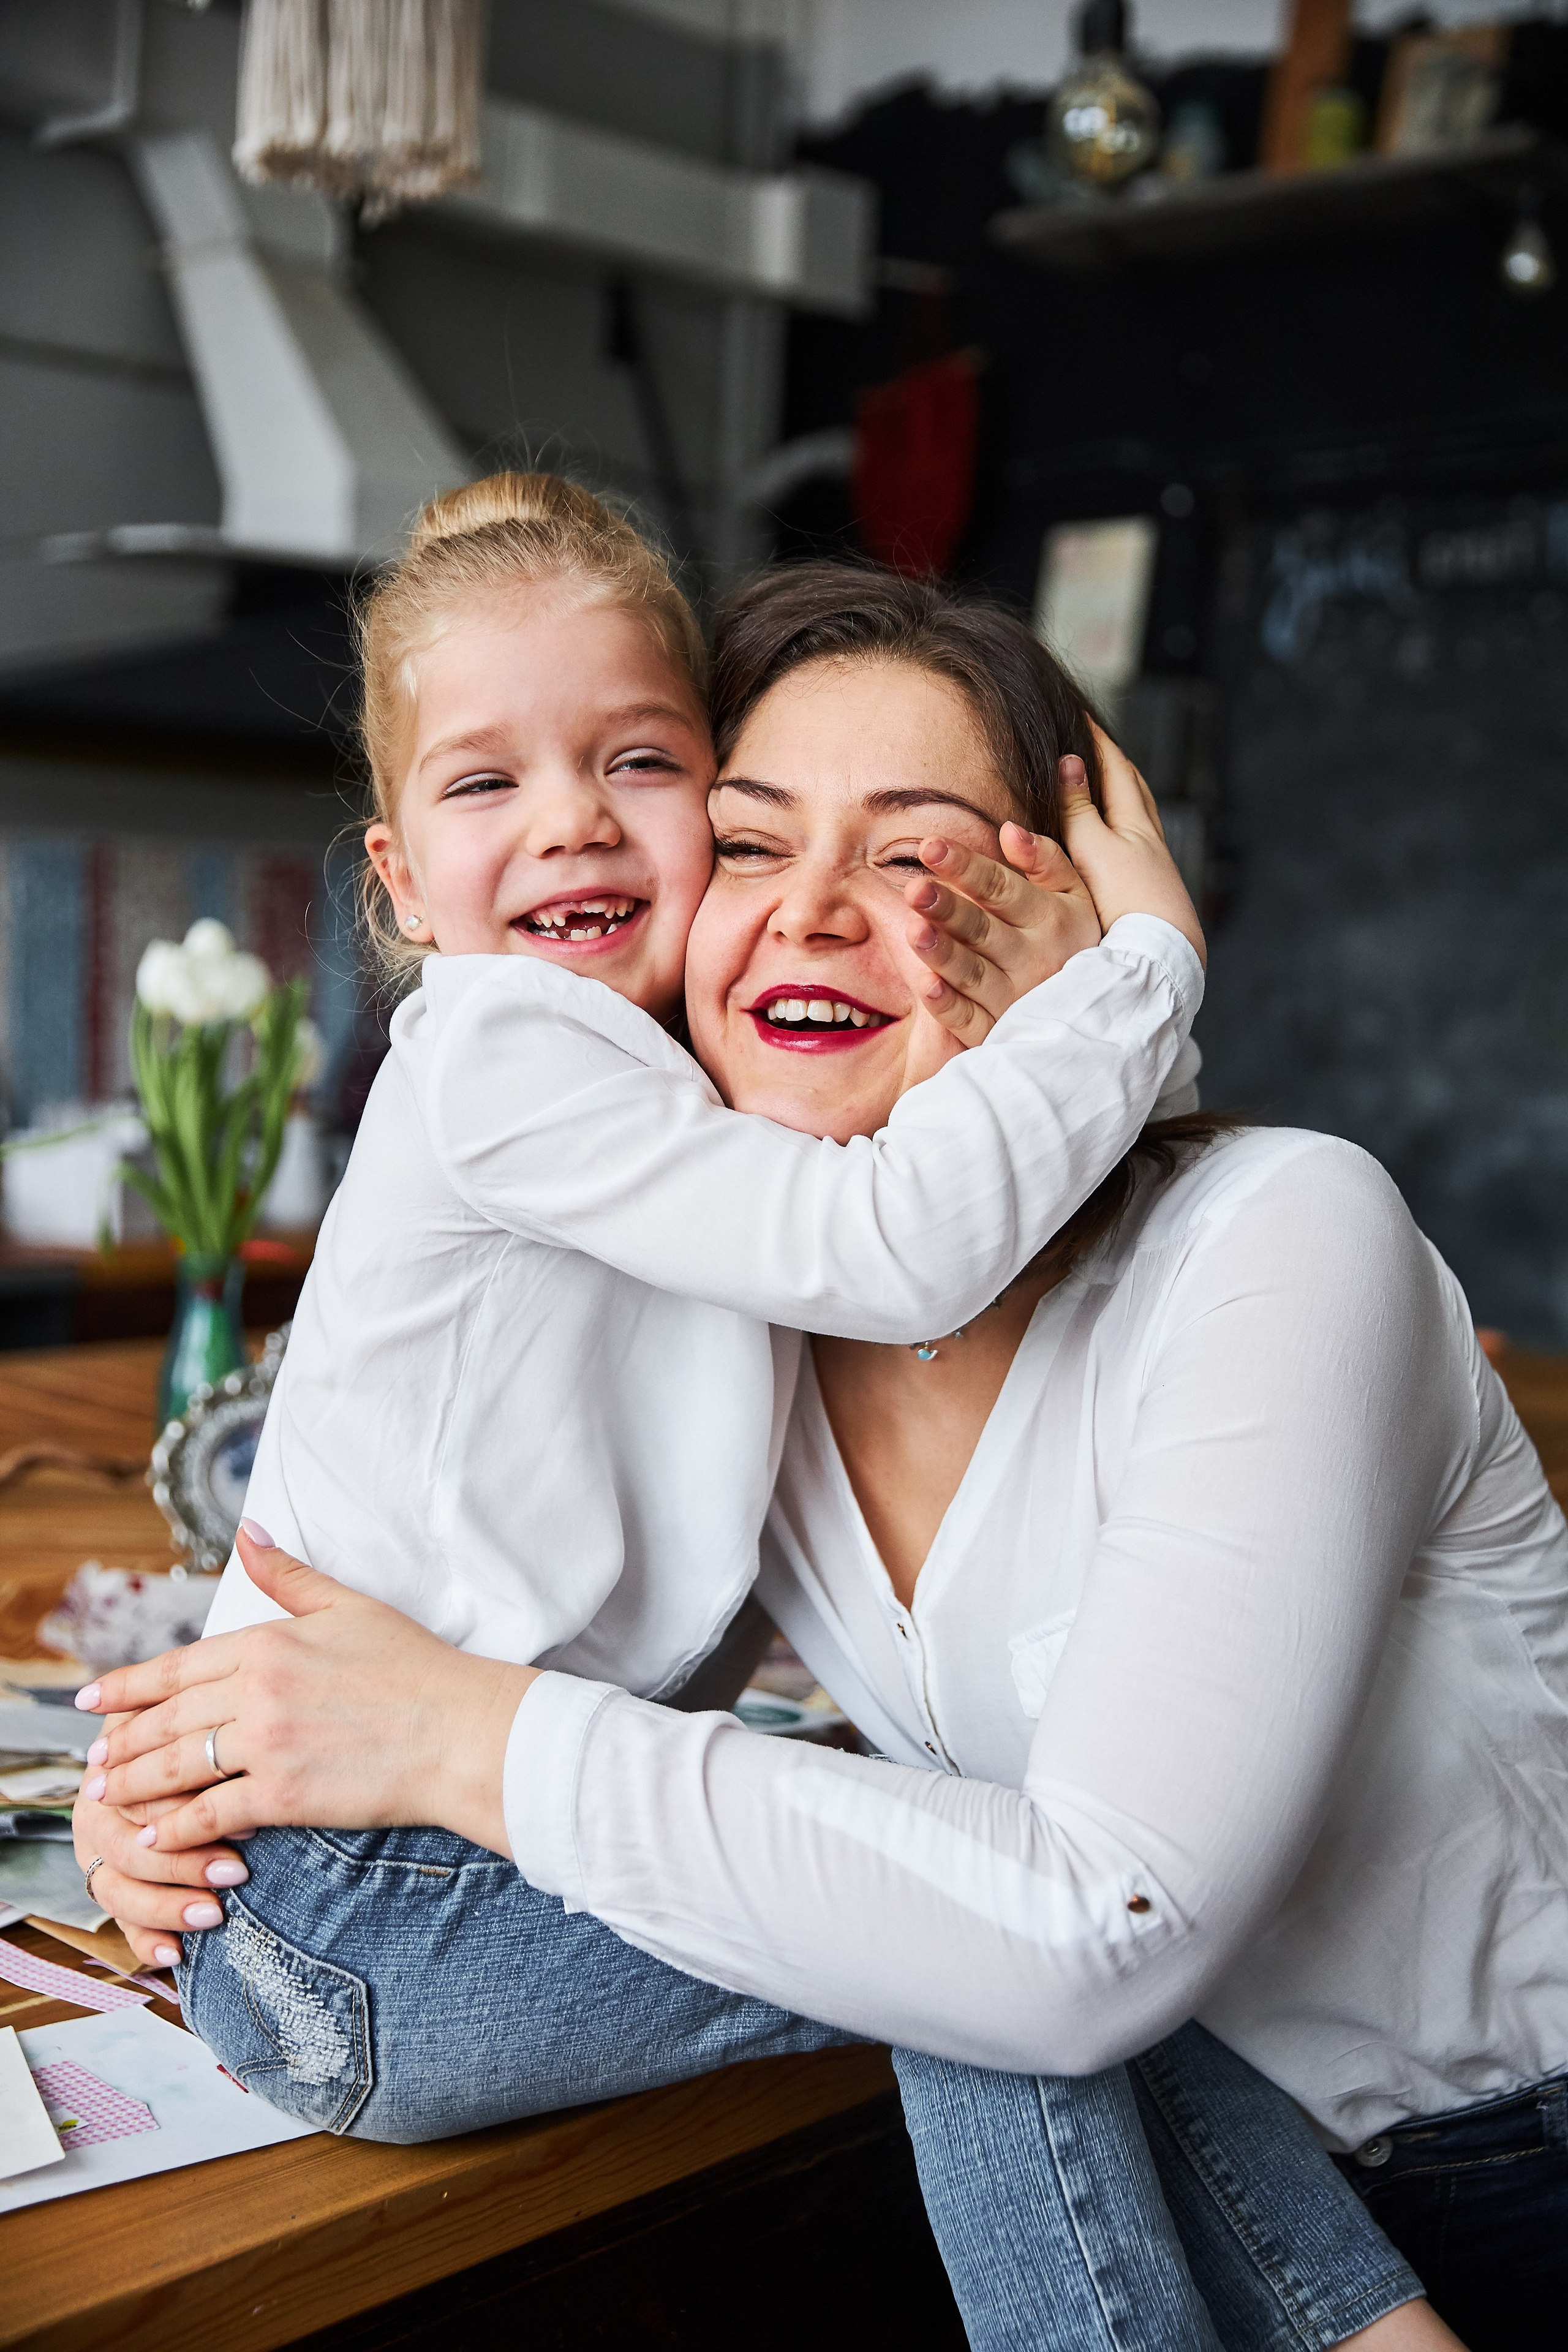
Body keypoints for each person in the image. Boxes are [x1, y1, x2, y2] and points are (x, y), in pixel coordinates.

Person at [78, 545, 1492, 2347]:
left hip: (1488, 2154)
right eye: (754, 841)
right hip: (376, 1900)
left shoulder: (1266, 1245)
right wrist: (181, 1777)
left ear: (1046, 916)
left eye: (912, 856)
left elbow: (1061, 1894)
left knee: (955, 1913)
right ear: (407, 874)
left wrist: (1120, 988)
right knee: (938, 1921)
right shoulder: (560, 1090)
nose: (808, 905)